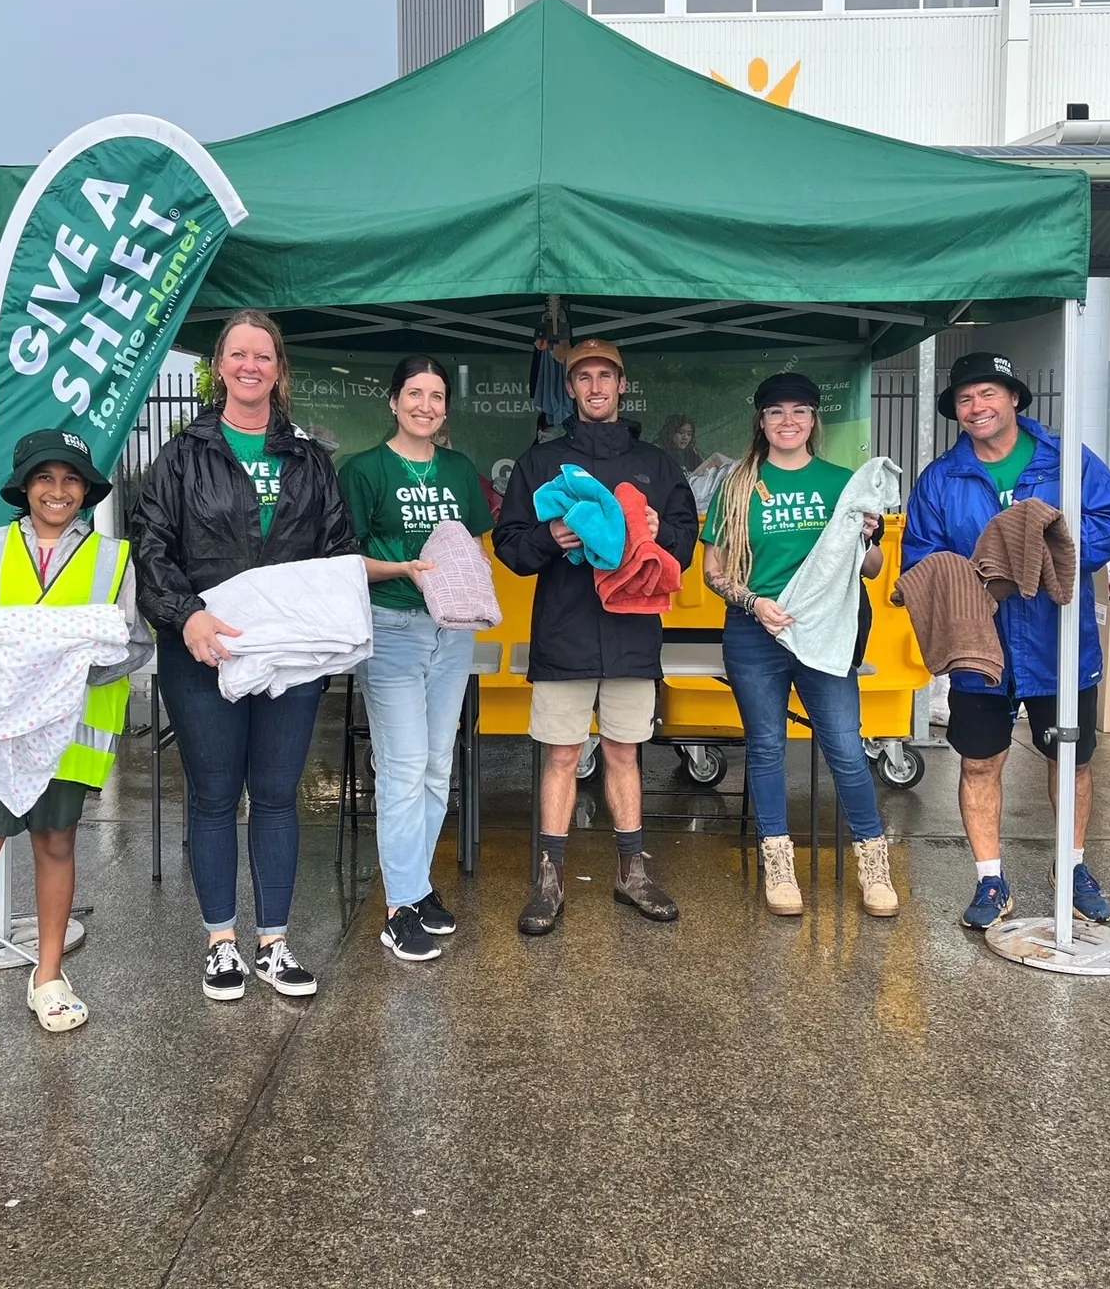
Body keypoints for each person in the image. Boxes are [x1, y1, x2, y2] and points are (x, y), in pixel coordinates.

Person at [130, 309, 358, 1001]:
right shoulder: (182, 455)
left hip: (288, 657)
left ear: (278, 369)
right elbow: (150, 546)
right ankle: (221, 943)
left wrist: (324, 632)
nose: (250, 366)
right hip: (204, 651)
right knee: (214, 795)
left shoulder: (310, 459)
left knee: (279, 795)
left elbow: (339, 550)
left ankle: (275, 945)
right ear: (219, 366)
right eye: (238, 354)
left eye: (263, 355)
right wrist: (186, 615)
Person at [0, 429, 152, 1064]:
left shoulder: (113, 559)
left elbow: (134, 641)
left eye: (72, 479)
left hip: (70, 730)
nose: (58, 490)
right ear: (24, 487)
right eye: (45, 478)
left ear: (86, 491)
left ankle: (48, 977)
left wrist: (62, 668)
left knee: (56, 842)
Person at [903, 352, 1110, 932]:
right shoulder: (941, 479)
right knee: (979, 762)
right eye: (965, 399)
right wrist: (982, 577)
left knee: (1071, 758)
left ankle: (1070, 867)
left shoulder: (1066, 459)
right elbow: (921, 559)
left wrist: (1040, 554)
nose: (977, 407)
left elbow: (1108, 523)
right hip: (980, 645)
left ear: (1015, 399)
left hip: (1059, 640)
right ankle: (990, 879)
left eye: (988, 394)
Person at [493, 338, 699, 934]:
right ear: (571, 388)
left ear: (622, 385)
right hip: (564, 634)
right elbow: (510, 545)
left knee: (623, 752)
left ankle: (633, 873)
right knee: (561, 755)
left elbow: (686, 539)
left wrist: (660, 533)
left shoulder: (656, 463)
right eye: (583, 377)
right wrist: (550, 535)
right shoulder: (542, 462)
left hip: (633, 635)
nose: (596, 387)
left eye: (605, 376)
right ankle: (549, 880)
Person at [700, 373, 897, 917]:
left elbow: (872, 569)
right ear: (761, 422)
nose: (788, 421)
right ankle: (779, 866)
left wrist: (868, 538)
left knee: (846, 748)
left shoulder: (842, 483)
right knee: (766, 748)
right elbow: (712, 570)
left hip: (827, 632)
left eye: (800, 411)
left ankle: (874, 865)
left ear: (814, 420)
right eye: (776, 412)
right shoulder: (737, 484)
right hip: (756, 631)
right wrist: (753, 603)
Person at [338, 355, 496, 962]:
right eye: (414, 394)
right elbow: (345, 558)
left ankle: (417, 885)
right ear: (393, 401)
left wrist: (471, 578)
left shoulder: (458, 470)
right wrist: (402, 568)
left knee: (435, 765)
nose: (425, 406)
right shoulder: (365, 470)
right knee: (402, 767)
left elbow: (474, 544)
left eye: (436, 396)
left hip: (453, 630)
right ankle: (398, 910)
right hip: (393, 626)